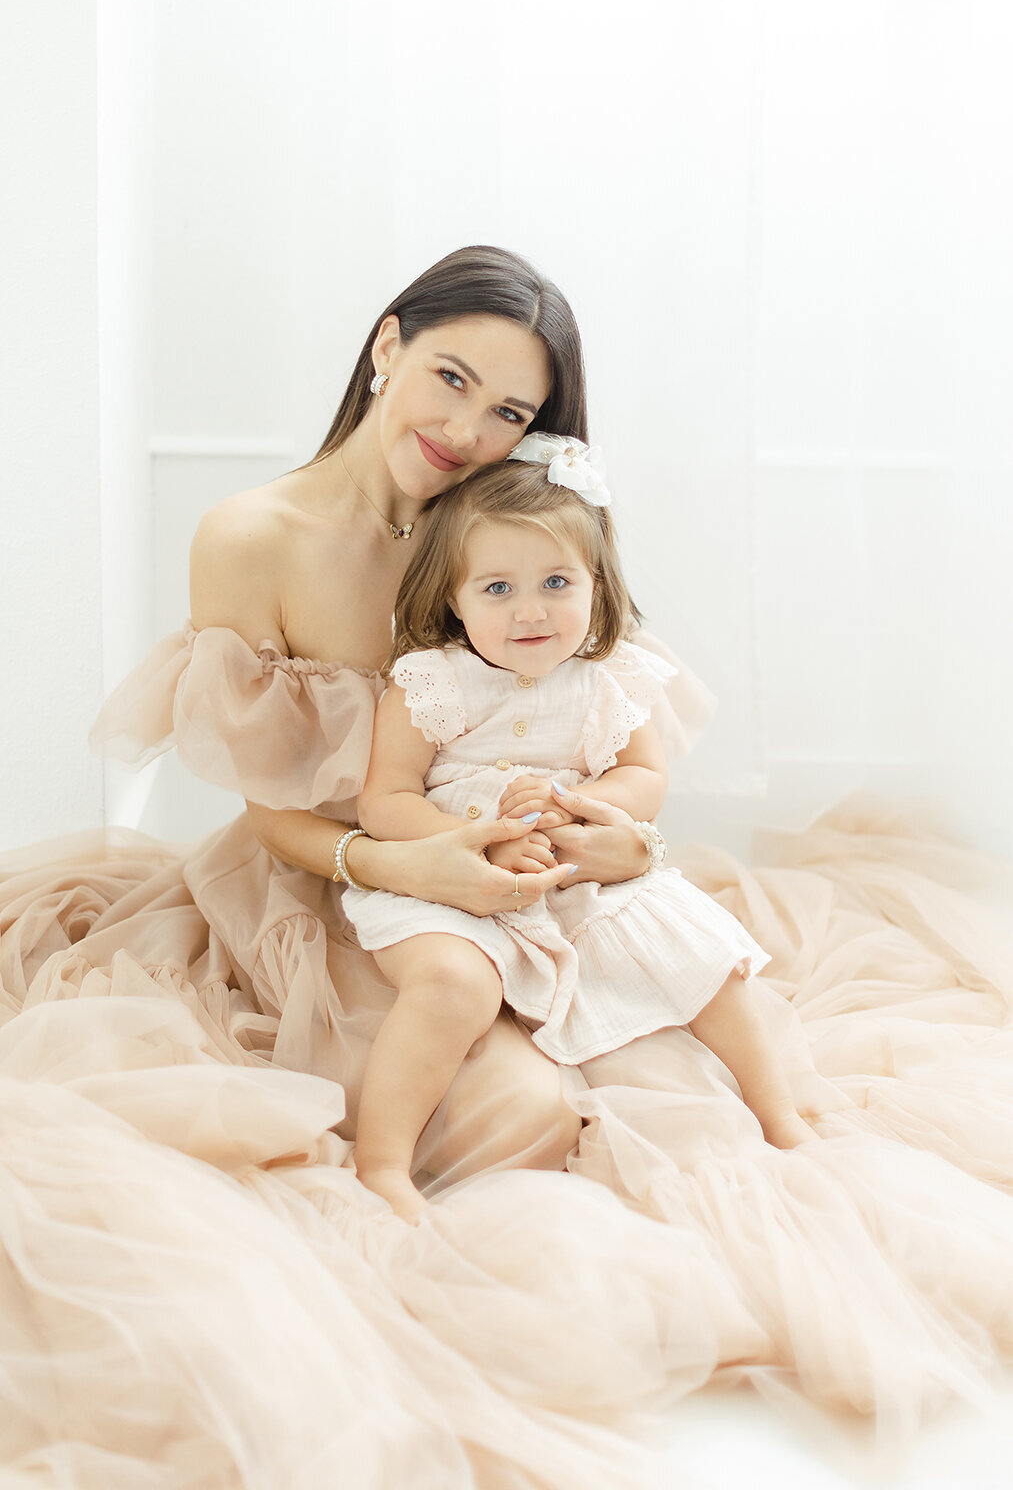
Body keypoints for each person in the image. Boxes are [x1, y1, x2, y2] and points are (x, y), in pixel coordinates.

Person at [3, 243, 1013, 1482]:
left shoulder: (494, 525)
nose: (465, 427)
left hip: (513, 854)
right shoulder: (251, 534)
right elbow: (271, 811)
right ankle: (394, 1178)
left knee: (674, 1056)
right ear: (384, 346)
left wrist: (621, 833)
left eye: (510, 411)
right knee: (518, 1111)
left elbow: (599, 713)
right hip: (338, 871)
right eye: (448, 377)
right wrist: (409, 867)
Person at [346, 438, 814, 1220]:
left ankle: (781, 1117)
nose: (530, 609)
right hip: (445, 880)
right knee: (453, 985)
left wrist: (591, 810)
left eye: (556, 582)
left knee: (706, 955)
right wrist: (468, 834)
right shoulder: (431, 680)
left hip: (570, 865)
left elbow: (644, 777)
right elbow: (384, 800)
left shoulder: (610, 676)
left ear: (596, 588)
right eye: (497, 587)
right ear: (453, 598)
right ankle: (382, 1161)